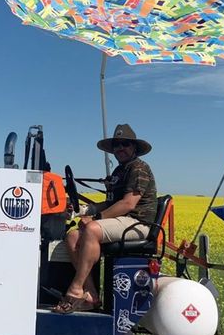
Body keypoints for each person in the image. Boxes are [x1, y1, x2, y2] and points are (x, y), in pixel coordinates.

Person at [56, 124, 160, 313]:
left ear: (134, 148)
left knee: (92, 229)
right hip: (121, 220)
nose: (120, 148)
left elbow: (128, 204)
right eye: (117, 145)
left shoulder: (139, 169)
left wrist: (95, 218)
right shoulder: (119, 172)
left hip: (138, 223)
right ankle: (92, 295)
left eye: (125, 144)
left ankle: (76, 288)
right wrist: (83, 211)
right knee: (72, 236)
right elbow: (110, 203)